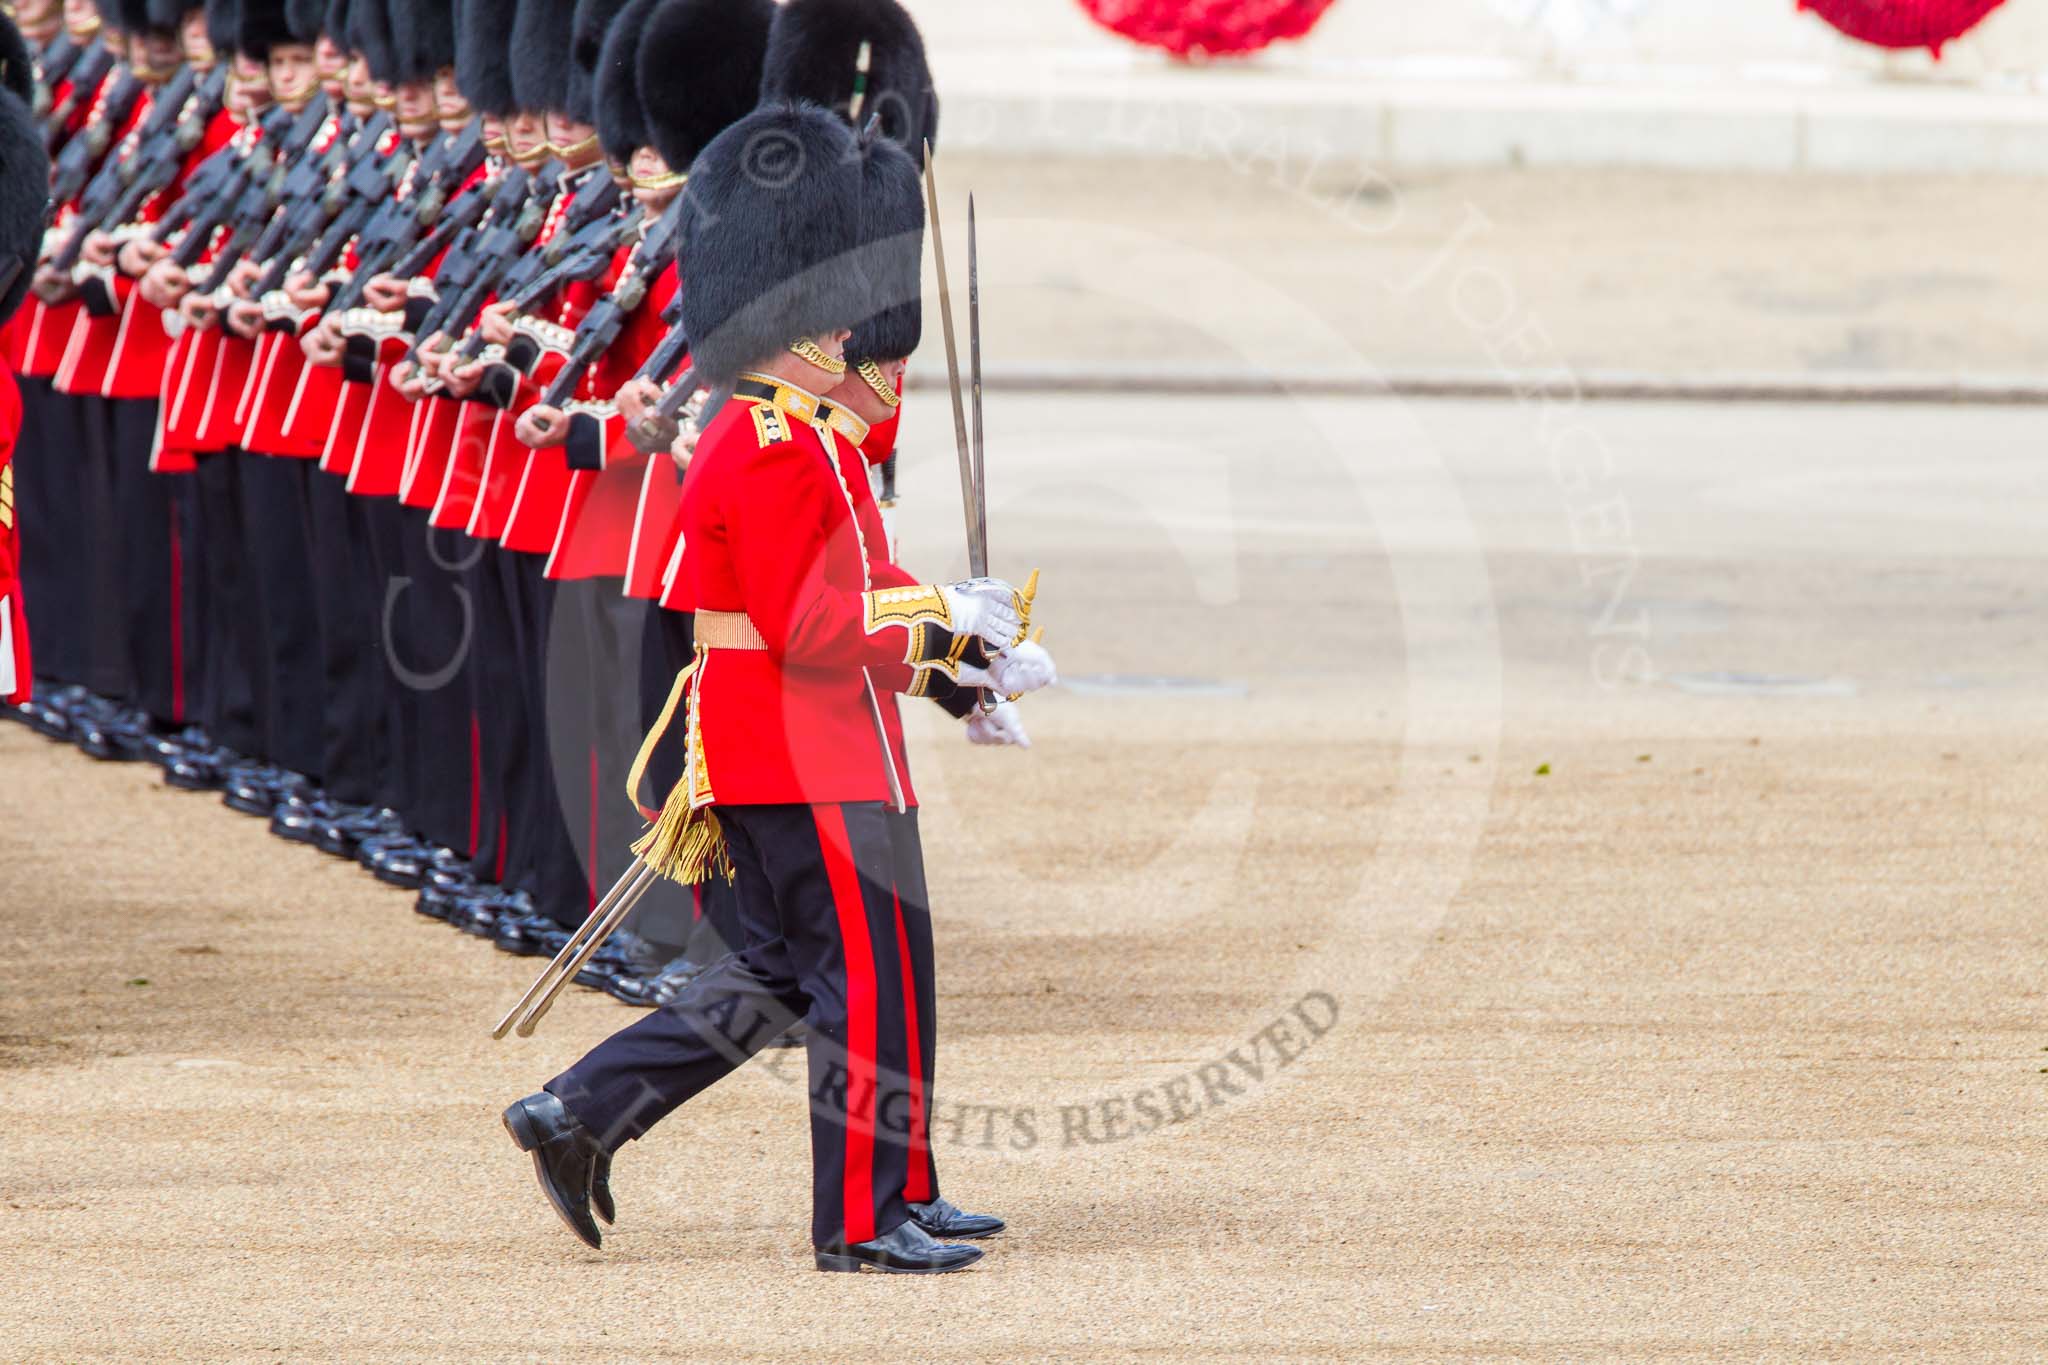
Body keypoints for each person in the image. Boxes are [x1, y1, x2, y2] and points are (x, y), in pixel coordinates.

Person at [501, 100, 1056, 1275]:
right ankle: (858, 1219)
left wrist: (967, 661)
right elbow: (810, 625)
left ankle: (595, 1112)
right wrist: (931, 634)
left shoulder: (804, 438)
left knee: (819, 971)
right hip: (792, 744)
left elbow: (864, 582)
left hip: (829, 738)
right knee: (852, 979)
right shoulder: (757, 444)